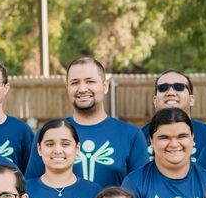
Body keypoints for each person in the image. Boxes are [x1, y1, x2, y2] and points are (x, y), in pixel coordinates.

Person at [25, 56, 149, 187]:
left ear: (105, 86)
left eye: (90, 81)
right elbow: (32, 189)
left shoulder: (131, 135)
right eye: (75, 83)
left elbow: (142, 191)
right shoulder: (48, 135)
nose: (82, 89)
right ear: (67, 88)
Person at [23, 119, 101, 198]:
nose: (58, 151)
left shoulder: (95, 193)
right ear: (39, 149)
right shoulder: (21, 191)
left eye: (65, 144)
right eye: (50, 144)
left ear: (77, 148)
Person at [141, 69, 206, 160]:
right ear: (155, 101)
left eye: (179, 87)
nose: (170, 92)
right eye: (163, 88)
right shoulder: (140, 137)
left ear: (191, 100)